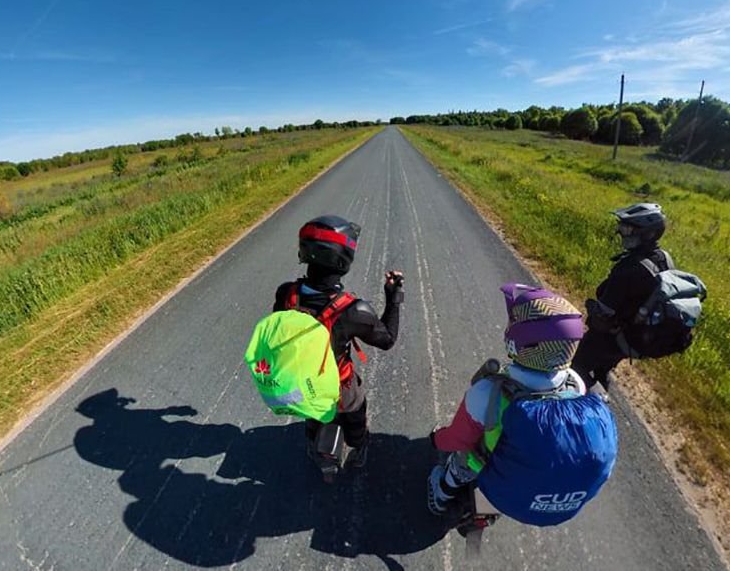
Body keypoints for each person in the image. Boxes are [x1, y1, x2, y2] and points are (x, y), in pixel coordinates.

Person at [427, 284, 615, 524]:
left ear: (522, 342)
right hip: (528, 480)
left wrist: (436, 439)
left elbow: (458, 439)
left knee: (461, 463)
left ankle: (441, 496)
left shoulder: (487, 392)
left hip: (487, 463)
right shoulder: (574, 383)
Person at [272, 215, 403, 467]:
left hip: (300, 380)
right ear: (343, 260)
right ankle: (358, 446)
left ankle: (314, 441)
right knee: (355, 407)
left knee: (313, 412)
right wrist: (394, 297)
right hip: (337, 385)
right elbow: (387, 339)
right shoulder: (353, 310)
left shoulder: (286, 293)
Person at [572, 202, 681, 390]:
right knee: (602, 368)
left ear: (648, 234)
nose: (622, 233)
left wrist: (591, 307)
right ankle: (600, 393)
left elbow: (604, 312)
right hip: (634, 336)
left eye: (628, 228)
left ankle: (579, 409)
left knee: (574, 371)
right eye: (622, 227)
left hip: (613, 336)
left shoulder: (629, 268)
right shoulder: (663, 257)